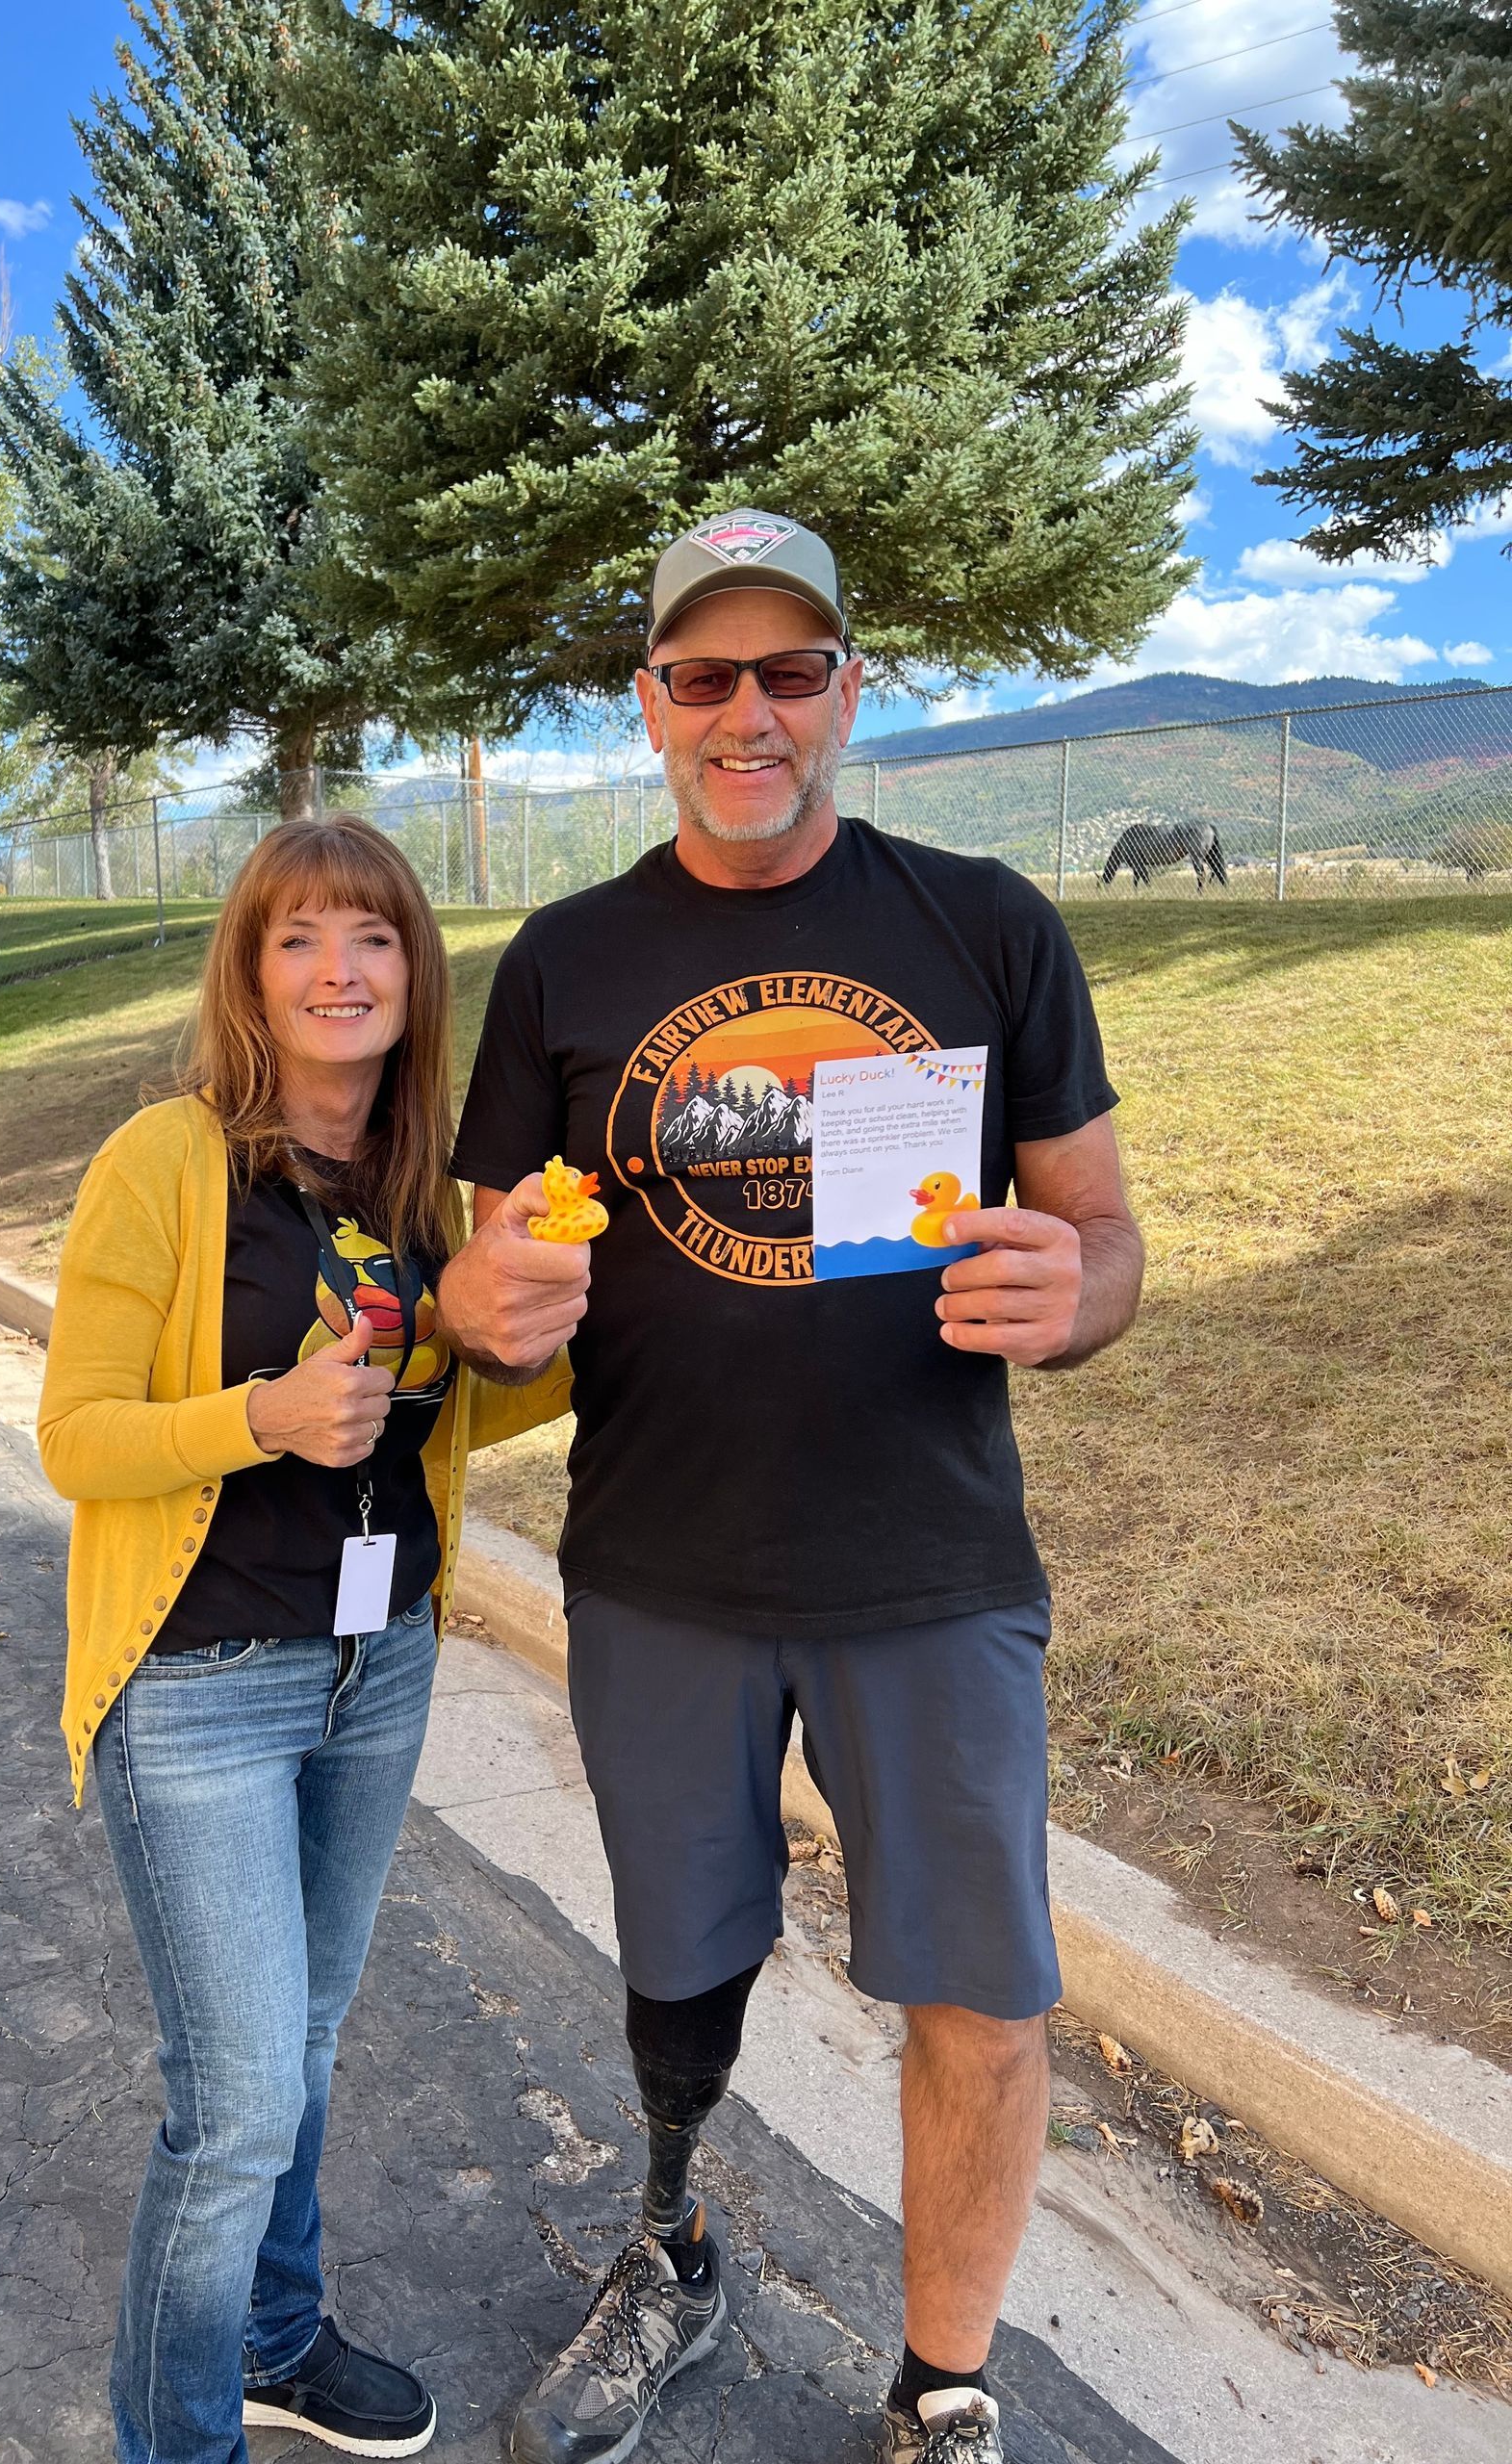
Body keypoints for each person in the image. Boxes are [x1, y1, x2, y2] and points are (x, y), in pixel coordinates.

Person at [436, 513, 1143, 2464]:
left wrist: (1068, 1295)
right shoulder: (570, 961)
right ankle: (664, 2244)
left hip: (929, 1562)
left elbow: (1104, 1239)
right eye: (704, 675)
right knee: (682, 1955)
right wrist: (487, 1309)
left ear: (851, 687)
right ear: (648, 702)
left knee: (983, 1989)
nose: (749, 712)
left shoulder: (983, 923)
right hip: (663, 1563)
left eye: (791, 670)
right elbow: (509, 1285)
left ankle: (942, 2379)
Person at [38, 813, 569, 2464]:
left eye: (375, 938)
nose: (340, 970)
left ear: (416, 974)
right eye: (299, 939)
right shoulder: (166, 1161)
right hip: (198, 1686)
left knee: (311, 2045)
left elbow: (473, 1400)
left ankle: (274, 2335)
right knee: (238, 2102)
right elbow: (77, 1437)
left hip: (377, 1658)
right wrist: (259, 1413)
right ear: (251, 975)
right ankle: (174, 2439)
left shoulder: (424, 1186)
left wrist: (553, 1309)